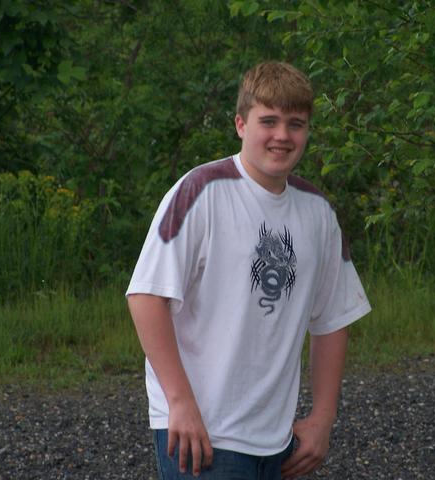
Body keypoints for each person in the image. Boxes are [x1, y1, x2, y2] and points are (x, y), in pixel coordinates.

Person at [126, 61, 371, 479]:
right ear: (241, 124)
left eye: (296, 124)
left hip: (276, 439)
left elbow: (333, 319)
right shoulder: (201, 192)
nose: (282, 135)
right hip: (201, 432)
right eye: (268, 121)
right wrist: (179, 402)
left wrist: (322, 419)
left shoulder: (318, 212)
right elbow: (147, 297)